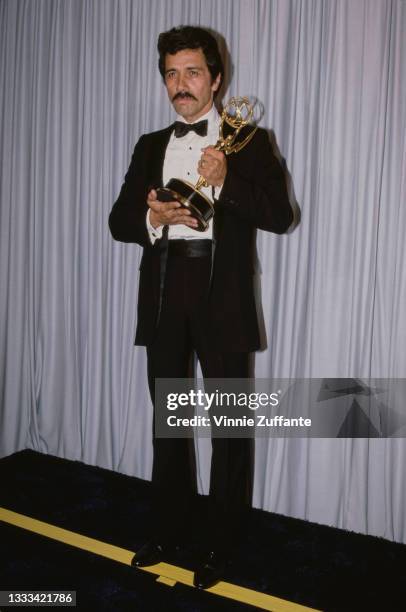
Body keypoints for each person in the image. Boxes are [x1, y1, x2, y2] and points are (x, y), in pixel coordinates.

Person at [109, 25, 293, 589]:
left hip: (224, 296)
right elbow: (119, 221)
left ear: (216, 78)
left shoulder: (252, 142)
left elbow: (282, 215)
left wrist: (227, 178)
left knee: (229, 428)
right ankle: (169, 530)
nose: (180, 85)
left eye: (192, 72)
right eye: (171, 73)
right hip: (165, 289)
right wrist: (152, 220)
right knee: (171, 424)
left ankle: (222, 543)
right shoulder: (148, 144)